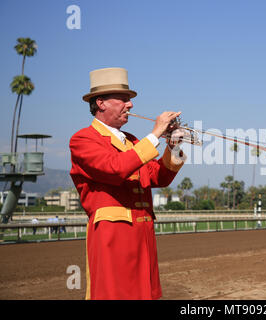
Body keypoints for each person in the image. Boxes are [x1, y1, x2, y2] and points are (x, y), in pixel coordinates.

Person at [69, 67, 186, 300]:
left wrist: (172, 146)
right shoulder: (83, 139)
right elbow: (115, 168)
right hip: (114, 238)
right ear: (100, 103)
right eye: (123, 99)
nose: (130, 105)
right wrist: (154, 135)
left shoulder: (132, 141)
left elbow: (157, 177)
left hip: (144, 239)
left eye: (129, 100)